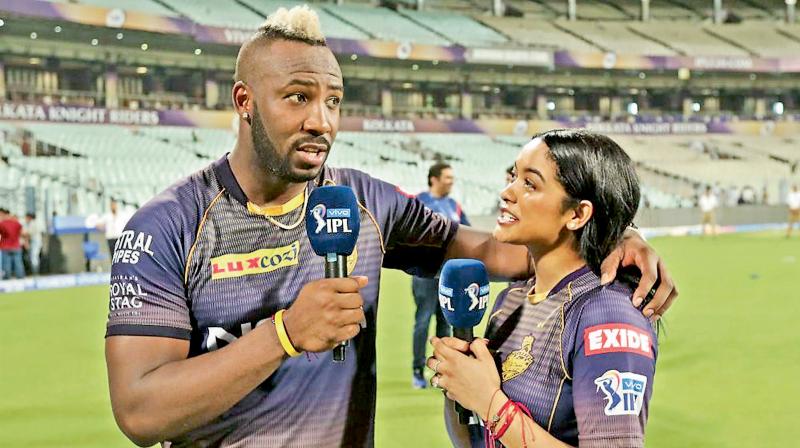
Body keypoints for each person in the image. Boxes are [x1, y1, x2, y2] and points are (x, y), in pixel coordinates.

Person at [104, 6, 676, 448]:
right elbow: (139, 412)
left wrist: (611, 235)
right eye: (298, 98)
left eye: (333, 101)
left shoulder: (364, 199)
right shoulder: (166, 226)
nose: (320, 122)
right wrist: (283, 336)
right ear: (244, 101)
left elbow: (494, 250)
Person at [429, 130, 658, 447]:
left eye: (529, 184)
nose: (507, 192)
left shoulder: (609, 314)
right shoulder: (512, 298)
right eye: (513, 176)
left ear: (577, 214)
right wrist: (459, 384)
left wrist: (489, 403)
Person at [411, 162, 469, 389]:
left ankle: (443, 371)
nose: (451, 181)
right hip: (424, 274)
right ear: (434, 179)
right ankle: (417, 371)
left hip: (448, 275)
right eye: (447, 177)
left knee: (445, 324)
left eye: (452, 177)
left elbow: (466, 233)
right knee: (423, 321)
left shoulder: (454, 205)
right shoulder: (419, 202)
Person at [0, 209, 25, 279]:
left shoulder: (2, 224)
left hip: (5, 246)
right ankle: (20, 278)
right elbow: (22, 233)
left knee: (6, 264)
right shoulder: (16, 223)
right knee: (18, 263)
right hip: (16, 246)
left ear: (3, 215)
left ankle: (7, 278)